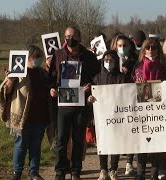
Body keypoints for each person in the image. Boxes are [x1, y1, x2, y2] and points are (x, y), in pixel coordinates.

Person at [49, 26, 100, 180]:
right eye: (66, 36)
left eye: (72, 35)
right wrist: (52, 88)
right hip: (63, 104)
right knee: (61, 139)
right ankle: (60, 170)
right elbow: (52, 76)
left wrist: (90, 86)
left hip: (81, 104)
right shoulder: (58, 55)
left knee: (78, 139)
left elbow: (96, 77)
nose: (69, 38)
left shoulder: (89, 57)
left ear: (79, 37)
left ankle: (76, 169)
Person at [0, 45, 49, 180]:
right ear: (27, 58)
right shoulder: (18, 72)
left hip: (40, 116)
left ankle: (34, 172)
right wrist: (9, 80)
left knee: (36, 147)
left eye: (40, 57)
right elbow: (6, 92)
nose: (38, 60)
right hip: (22, 118)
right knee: (20, 146)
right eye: (35, 57)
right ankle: (17, 173)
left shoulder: (43, 73)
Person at [88, 50, 129, 180]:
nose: (109, 62)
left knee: (115, 143)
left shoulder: (121, 77)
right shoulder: (97, 78)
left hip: (117, 116)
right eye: (106, 60)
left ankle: (114, 170)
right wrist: (90, 99)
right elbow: (92, 97)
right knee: (103, 143)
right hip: (101, 118)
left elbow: (126, 95)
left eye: (111, 60)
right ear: (102, 61)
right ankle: (103, 169)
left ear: (116, 61)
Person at [133, 37, 166, 180]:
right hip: (141, 110)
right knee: (142, 142)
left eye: (153, 47)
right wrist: (138, 83)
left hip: (159, 110)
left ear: (158, 49)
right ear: (143, 49)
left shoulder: (163, 66)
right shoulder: (137, 67)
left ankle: (155, 172)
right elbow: (131, 87)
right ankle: (140, 173)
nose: (150, 50)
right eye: (148, 47)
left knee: (156, 142)